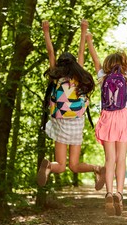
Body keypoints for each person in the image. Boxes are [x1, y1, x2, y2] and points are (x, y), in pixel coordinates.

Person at [37, 20, 106, 190]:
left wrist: (46, 31)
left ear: (60, 63)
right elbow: (81, 51)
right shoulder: (78, 75)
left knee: (60, 166)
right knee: (74, 166)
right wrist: (84, 30)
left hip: (60, 121)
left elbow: (50, 52)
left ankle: (48, 167)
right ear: (74, 63)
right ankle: (97, 169)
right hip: (76, 121)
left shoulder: (56, 75)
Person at [86, 28, 127, 216]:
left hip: (107, 118)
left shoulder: (103, 77)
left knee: (109, 160)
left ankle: (108, 193)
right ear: (124, 64)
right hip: (123, 117)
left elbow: (94, 59)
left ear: (107, 65)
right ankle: (120, 193)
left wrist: (89, 40)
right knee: (121, 160)